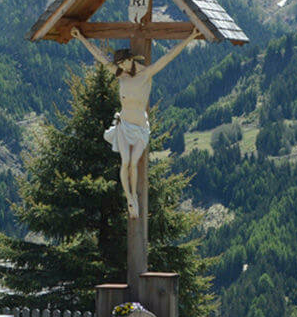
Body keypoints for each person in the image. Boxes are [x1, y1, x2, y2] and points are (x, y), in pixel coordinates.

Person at [70, 25, 201, 217]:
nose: (121, 67)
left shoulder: (146, 74)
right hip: (124, 125)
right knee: (125, 163)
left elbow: (168, 57)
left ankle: (135, 199)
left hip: (139, 128)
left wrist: (190, 37)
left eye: (122, 63)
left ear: (130, 60)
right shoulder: (121, 76)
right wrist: (81, 38)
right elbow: (101, 57)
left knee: (133, 163)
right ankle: (130, 198)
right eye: (119, 65)